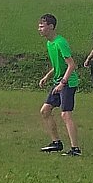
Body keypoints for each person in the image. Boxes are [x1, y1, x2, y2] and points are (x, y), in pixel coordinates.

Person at [35, 14, 81, 154]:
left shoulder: (60, 42)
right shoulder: (50, 43)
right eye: (39, 26)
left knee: (65, 114)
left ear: (51, 27)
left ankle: (75, 149)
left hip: (68, 82)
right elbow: (57, 65)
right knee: (45, 111)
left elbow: (71, 65)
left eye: (42, 26)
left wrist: (62, 83)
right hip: (58, 82)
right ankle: (56, 143)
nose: (39, 29)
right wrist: (47, 77)